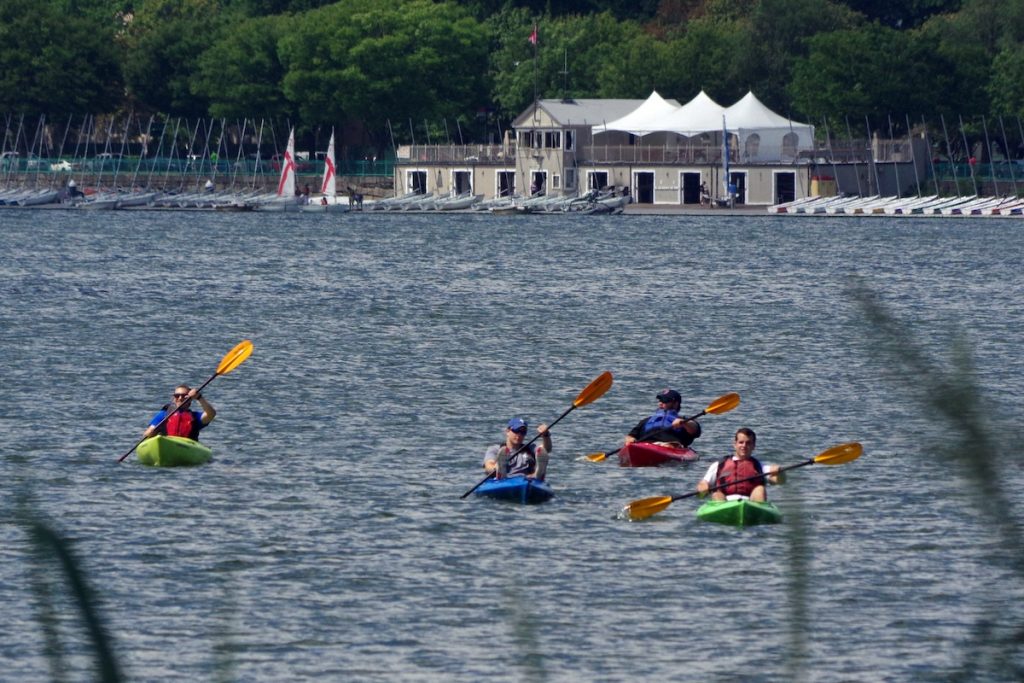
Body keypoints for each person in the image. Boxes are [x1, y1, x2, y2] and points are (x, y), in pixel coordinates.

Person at [696, 427, 783, 502]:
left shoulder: (760, 466)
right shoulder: (719, 465)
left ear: (754, 446)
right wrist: (703, 488)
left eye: (748, 443)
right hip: (723, 503)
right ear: (735, 444)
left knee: (760, 490)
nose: (744, 446)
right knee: (716, 494)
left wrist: (779, 473)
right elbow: (703, 483)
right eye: (741, 442)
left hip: (751, 502)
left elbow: (778, 481)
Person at [624, 388, 701, 447]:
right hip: (646, 445)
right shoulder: (646, 420)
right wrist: (630, 439)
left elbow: (695, 430)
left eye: (665, 401)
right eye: (660, 400)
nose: (660, 403)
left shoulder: (684, 421)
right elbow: (631, 435)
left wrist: (684, 423)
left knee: (670, 445)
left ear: (675, 404)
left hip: (671, 446)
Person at [482, 417, 552, 480]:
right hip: (505, 479)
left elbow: (547, 449)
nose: (519, 435)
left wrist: (546, 435)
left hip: (527, 480)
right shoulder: (496, 449)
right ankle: (500, 472)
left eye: (522, 432)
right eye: (516, 431)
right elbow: (488, 464)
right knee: (498, 466)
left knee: (542, 451)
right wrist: (495, 468)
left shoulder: (530, 448)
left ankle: (539, 473)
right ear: (507, 431)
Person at [142, 384, 216, 441]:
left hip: (187, 446)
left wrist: (199, 398)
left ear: (190, 399)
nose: (180, 398)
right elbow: (147, 433)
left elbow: (211, 414)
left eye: (184, 396)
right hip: (166, 443)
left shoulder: (195, 417)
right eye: (177, 396)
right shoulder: (163, 414)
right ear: (174, 398)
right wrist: (151, 433)